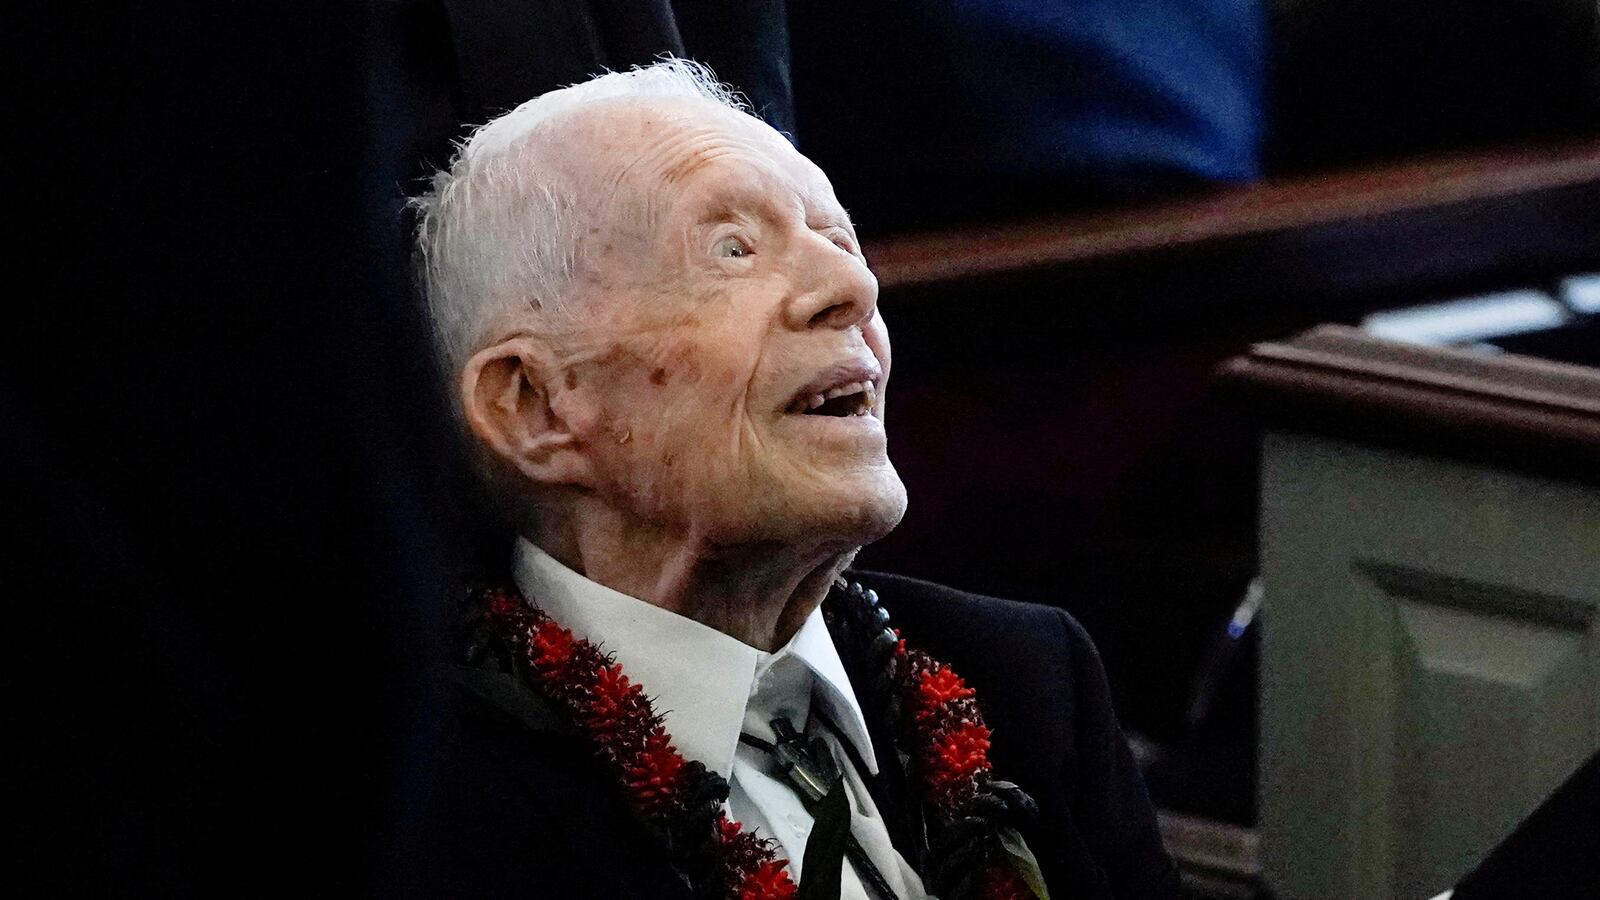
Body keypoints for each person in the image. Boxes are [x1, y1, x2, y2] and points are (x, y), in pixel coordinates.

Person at [411, 59, 1181, 900]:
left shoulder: (1028, 680)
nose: (852, 287)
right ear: (534, 405)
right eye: (733, 250)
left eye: (839, 241)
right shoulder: (414, 796)